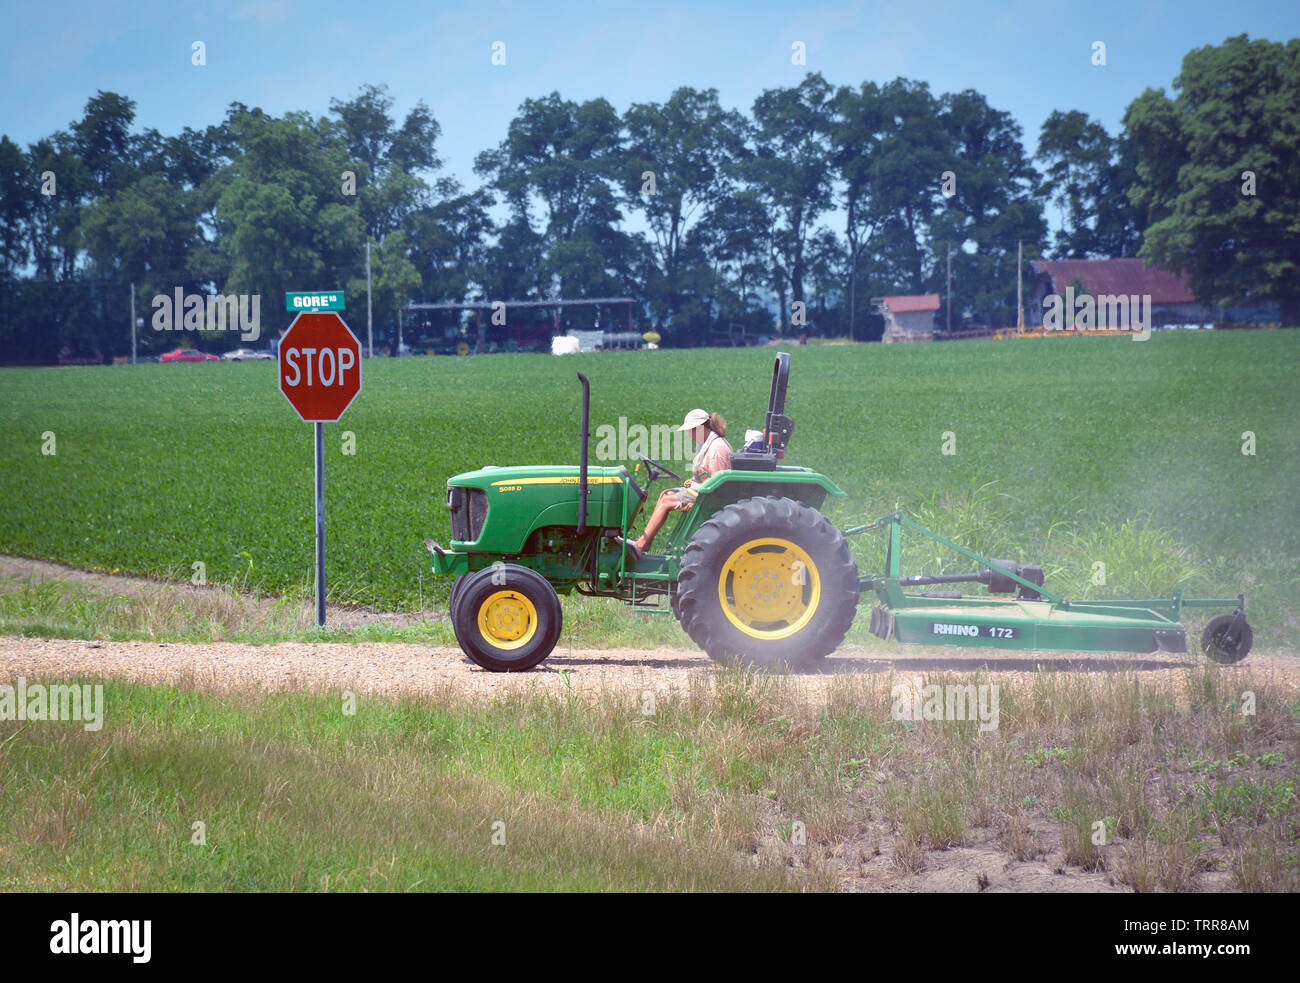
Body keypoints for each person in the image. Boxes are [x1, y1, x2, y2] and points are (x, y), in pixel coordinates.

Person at [619, 408, 732, 560]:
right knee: (665, 494)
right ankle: (643, 543)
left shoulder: (718, 449)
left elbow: (719, 484)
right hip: (702, 491)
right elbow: (707, 475)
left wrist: (700, 504)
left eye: (691, 431)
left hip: (709, 498)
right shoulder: (709, 444)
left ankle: (640, 546)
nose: (689, 435)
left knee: (667, 500)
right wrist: (694, 480)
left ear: (700, 428)